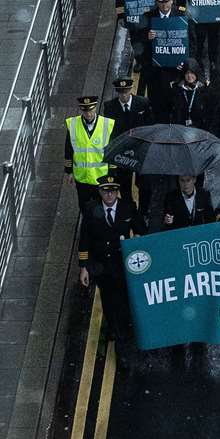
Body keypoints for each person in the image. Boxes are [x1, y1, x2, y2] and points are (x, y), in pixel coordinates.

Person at [77, 177, 144, 345]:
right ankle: (113, 327)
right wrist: (84, 267)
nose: (109, 195)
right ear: (100, 191)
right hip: (101, 265)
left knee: (123, 297)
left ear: (117, 191)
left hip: (122, 263)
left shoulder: (128, 207)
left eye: (112, 191)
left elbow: (141, 229)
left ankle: (125, 327)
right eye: (106, 191)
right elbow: (84, 238)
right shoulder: (91, 209)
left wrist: (136, 238)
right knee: (107, 299)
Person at [103, 76, 152, 206]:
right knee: (124, 183)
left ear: (131, 89)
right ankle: (129, 208)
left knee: (143, 183)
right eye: (121, 92)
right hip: (123, 151)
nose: (124, 95)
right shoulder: (109, 107)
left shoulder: (142, 103)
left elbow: (149, 126)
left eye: (126, 91)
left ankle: (143, 209)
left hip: (140, 149)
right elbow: (109, 132)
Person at [64, 96, 116, 213]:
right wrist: (69, 171)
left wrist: (112, 173)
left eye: (91, 110)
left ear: (95, 108)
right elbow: (68, 149)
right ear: (81, 110)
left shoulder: (107, 124)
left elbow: (112, 151)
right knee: (84, 206)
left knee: (101, 207)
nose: (88, 114)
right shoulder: (73, 124)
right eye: (85, 111)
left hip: (101, 176)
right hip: (81, 176)